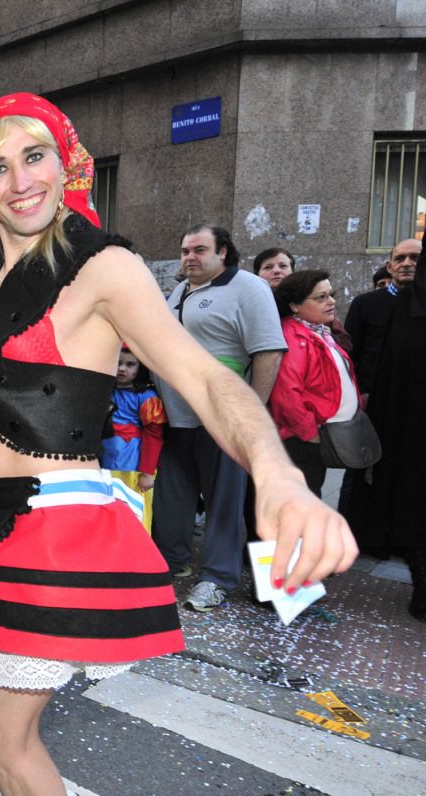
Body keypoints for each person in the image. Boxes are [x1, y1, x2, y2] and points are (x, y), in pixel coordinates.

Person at [0, 16, 355, 794]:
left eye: (34, 158)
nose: (19, 180)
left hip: (52, 524)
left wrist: (281, 478)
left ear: (65, 165)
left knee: (2, 730)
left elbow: (203, 377)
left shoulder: (105, 267)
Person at [151, 224, 287, 612]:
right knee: (171, 498)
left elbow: (269, 352)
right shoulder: (180, 291)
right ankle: (171, 563)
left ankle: (218, 578)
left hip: (224, 417)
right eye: (184, 251)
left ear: (223, 252)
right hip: (176, 417)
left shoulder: (248, 288)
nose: (189, 257)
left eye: (199, 249)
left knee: (223, 502)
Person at [345, 238, 426, 621]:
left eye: (416, 258)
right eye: (401, 258)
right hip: (397, 418)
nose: (409, 264)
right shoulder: (384, 308)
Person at [267, 270, 359, 498]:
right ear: (295, 305)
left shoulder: (318, 330)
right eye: (321, 297)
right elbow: (286, 393)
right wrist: (309, 434)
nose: (332, 301)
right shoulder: (293, 336)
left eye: (331, 294)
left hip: (322, 434)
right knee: (303, 502)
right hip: (303, 440)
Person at [100, 347, 167, 532]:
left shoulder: (147, 397)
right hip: (106, 463)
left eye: (130, 364)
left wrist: (147, 473)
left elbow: (154, 435)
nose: (122, 369)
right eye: (118, 362)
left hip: (133, 467)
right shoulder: (105, 390)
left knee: (134, 510)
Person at [344, 238, 419, 396]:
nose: (406, 263)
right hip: (374, 399)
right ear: (390, 267)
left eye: (415, 258)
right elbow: (350, 355)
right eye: (399, 258)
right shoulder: (364, 304)